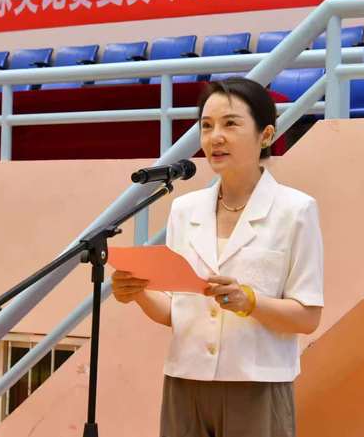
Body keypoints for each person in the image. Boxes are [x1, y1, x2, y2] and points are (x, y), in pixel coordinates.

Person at [112, 77, 324, 437]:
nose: (215, 137)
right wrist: (139, 293)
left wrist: (250, 301)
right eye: (207, 126)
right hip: (185, 379)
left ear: (266, 135)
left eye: (230, 124)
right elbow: (175, 313)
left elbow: (307, 317)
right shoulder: (185, 209)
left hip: (257, 383)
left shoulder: (296, 210)